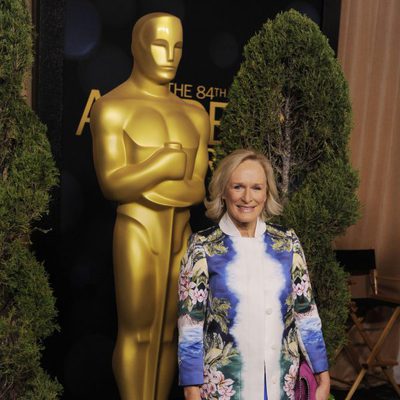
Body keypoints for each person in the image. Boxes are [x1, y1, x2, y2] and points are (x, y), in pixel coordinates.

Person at [90, 12, 209, 400]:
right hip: (138, 228)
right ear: (137, 46)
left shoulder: (194, 113)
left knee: (172, 333)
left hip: (181, 233)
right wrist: (162, 166)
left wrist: (148, 180)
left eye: (177, 46)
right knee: (138, 332)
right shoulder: (112, 108)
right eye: (159, 44)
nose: (169, 55)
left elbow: (196, 190)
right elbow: (111, 184)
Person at [177, 149, 330, 400]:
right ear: (223, 191)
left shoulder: (288, 242)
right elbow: (190, 326)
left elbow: (306, 313)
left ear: (266, 193)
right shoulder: (202, 246)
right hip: (225, 389)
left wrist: (322, 374)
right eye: (238, 186)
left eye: (257, 188)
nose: (247, 197)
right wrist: (191, 389)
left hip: (283, 385)